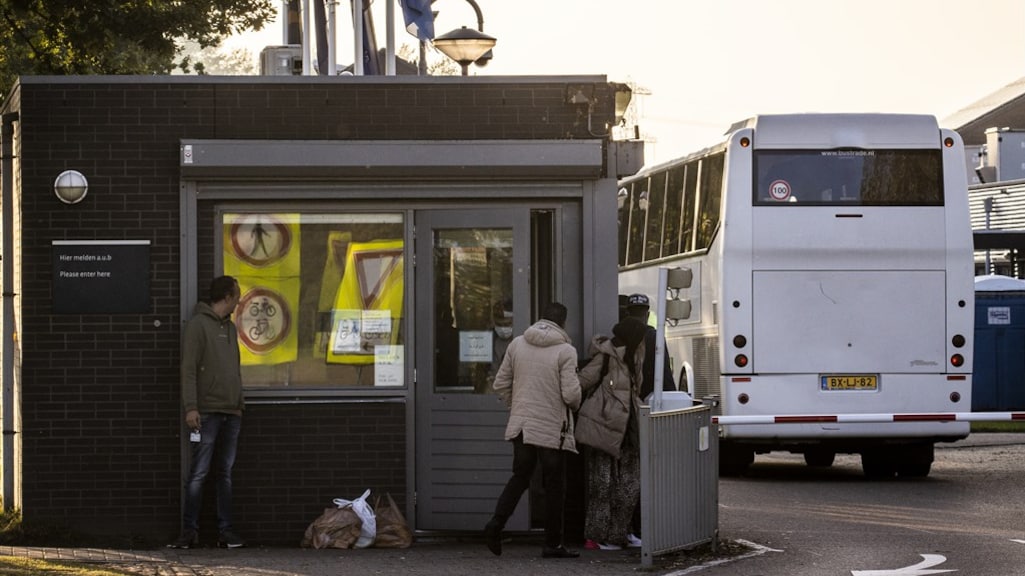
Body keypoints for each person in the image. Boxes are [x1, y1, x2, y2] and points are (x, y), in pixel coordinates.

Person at [484, 302, 582, 559]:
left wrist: (516, 406)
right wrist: (574, 404)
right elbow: (571, 395)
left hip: (522, 426)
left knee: (520, 477)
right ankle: (552, 543)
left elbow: (500, 383)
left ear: (541, 319)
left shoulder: (517, 344)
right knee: (554, 485)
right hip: (552, 427)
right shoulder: (566, 351)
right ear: (563, 323)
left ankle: (495, 524)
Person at [169, 276, 246, 549]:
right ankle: (189, 531)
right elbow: (188, 369)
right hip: (207, 412)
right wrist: (191, 407)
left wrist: (238, 404)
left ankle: (226, 532)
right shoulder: (198, 326)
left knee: (224, 473)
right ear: (227, 297)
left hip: (231, 411)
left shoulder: (231, 329)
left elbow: (234, 368)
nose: (238, 301)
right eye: (236, 296)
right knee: (199, 472)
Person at [575, 319, 647, 550]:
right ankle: (596, 537)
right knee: (603, 485)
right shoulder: (606, 356)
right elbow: (581, 382)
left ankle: (619, 533)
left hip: (627, 430)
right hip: (603, 428)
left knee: (629, 486)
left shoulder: (635, 357)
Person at [624, 293, 676, 399]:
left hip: (624, 401)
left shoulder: (619, 337)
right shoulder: (655, 338)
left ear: (627, 315)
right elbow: (665, 373)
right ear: (647, 315)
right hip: (649, 399)